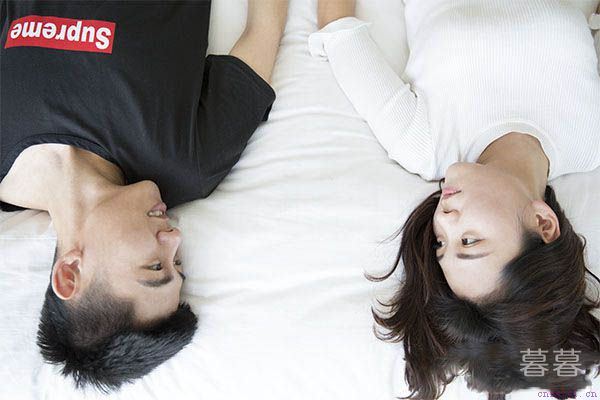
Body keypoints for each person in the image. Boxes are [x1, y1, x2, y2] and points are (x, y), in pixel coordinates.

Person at [311, 0, 600, 399]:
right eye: (469, 240)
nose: (445, 218)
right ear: (543, 223)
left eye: (441, 243)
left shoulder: (422, 143)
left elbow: (339, 30)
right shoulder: (589, 139)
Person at [0, 0, 287, 392]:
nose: (174, 238)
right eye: (177, 263)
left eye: (154, 267)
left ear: (70, 273)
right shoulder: (189, 163)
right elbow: (264, 27)